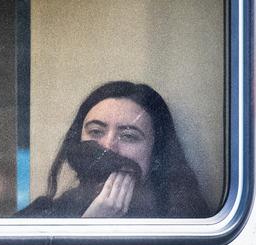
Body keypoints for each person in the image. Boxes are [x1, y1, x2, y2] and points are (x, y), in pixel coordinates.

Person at [16, 81, 211, 218]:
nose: (108, 146)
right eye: (95, 131)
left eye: (128, 136)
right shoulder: (45, 217)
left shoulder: (186, 226)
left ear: (157, 153)